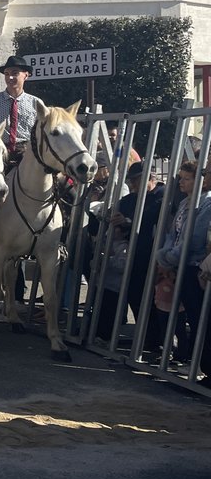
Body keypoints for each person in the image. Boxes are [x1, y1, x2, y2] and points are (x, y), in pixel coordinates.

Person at [101, 162, 167, 351]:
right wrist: (111, 217)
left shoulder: (160, 197)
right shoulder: (130, 199)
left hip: (152, 255)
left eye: (137, 181)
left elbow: (150, 218)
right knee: (135, 295)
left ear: (151, 179)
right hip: (131, 256)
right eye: (132, 181)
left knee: (154, 300)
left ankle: (156, 340)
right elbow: (114, 212)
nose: (133, 185)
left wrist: (128, 222)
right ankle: (147, 338)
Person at [155, 161, 211, 376]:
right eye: (181, 177)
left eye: (186, 178)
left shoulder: (206, 204)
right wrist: (165, 257)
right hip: (176, 264)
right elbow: (173, 234)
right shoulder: (184, 203)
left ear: (200, 181)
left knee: (197, 318)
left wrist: (168, 259)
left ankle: (199, 363)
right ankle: (191, 358)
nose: (181, 182)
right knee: (172, 311)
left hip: (193, 267)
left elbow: (194, 240)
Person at [0, 55, 40, 165]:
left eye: (15, 73)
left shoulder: (36, 103)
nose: (10, 77)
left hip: (27, 153)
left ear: (26, 75)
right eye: (7, 74)